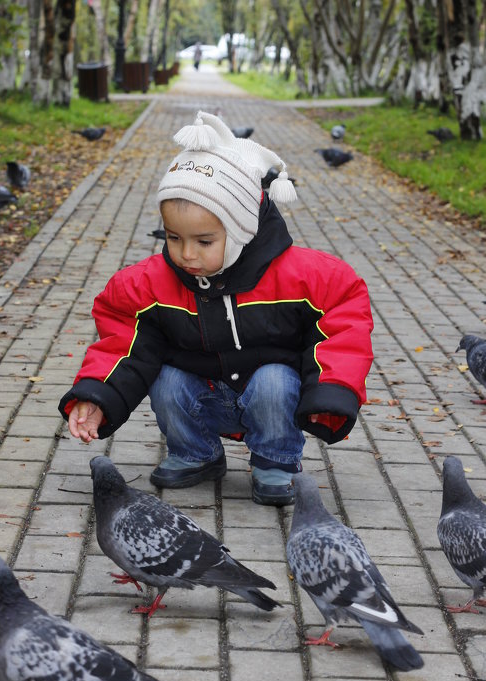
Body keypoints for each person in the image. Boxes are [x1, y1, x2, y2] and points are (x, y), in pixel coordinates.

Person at [58, 111, 374, 506]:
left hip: (272, 398)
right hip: (203, 391)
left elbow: (344, 323)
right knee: (167, 379)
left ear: (241, 230)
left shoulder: (306, 276)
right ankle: (195, 453)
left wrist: (332, 389)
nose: (186, 254)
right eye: (174, 237)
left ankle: (276, 461)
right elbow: (123, 342)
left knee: (275, 378)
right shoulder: (147, 284)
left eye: (204, 241)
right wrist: (96, 395)